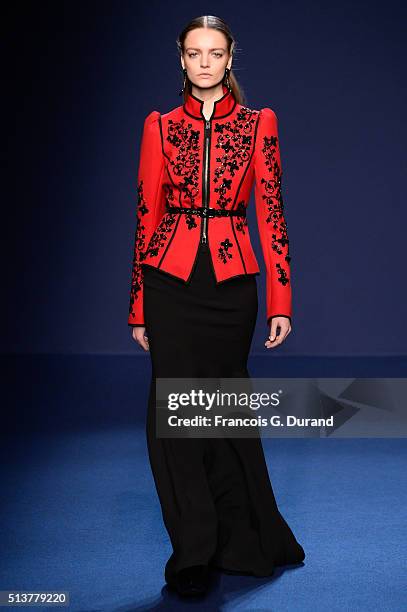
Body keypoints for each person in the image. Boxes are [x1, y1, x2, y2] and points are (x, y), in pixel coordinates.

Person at [128, 15, 305, 597]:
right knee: (176, 417)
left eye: (216, 52)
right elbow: (145, 216)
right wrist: (137, 307)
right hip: (169, 283)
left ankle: (243, 540)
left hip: (232, 286)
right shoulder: (159, 127)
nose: (205, 62)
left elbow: (272, 213)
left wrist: (281, 300)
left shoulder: (259, 125)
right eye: (195, 52)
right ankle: (194, 551)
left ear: (231, 59)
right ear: (181, 58)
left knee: (224, 412)